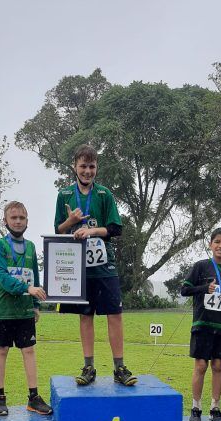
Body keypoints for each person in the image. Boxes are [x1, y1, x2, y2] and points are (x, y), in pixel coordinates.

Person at [54, 144, 137, 386]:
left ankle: (119, 367)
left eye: (92, 166)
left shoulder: (104, 194)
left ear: (96, 167)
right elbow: (57, 230)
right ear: (75, 167)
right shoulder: (64, 195)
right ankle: (89, 367)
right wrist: (70, 221)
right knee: (85, 315)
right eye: (83, 166)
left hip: (104, 264)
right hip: (78, 266)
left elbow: (115, 229)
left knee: (114, 314)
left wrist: (91, 231)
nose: (87, 171)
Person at [0, 201, 53, 416]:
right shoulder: (0, 245)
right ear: (5, 221)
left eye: (21, 218)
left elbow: (34, 275)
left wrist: (35, 305)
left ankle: (33, 397)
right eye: (13, 217)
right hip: (3, 310)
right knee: (2, 350)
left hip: (25, 310)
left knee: (29, 350)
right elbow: (3, 277)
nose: (17, 221)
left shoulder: (32, 247)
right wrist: (28, 288)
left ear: (27, 221)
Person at [181, 227, 221, 421]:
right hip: (202, 323)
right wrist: (205, 288)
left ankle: (215, 408)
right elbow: (184, 290)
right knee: (200, 366)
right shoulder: (200, 266)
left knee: (218, 366)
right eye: (217, 242)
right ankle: (195, 407)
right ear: (210, 244)